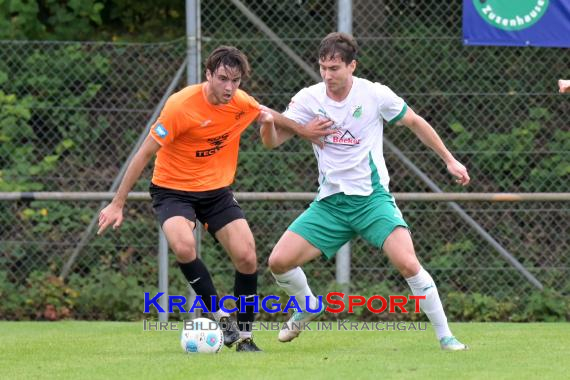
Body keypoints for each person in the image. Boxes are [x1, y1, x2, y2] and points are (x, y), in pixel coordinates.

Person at [97, 45, 332, 352]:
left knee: (247, 256)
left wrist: (304, 131)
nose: (229, 87)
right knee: (183, 245)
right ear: (208, 74)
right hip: (172, 190)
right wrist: (118, 203)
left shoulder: (239, 101)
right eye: (222, 78)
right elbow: (143, 154)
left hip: (216, 192)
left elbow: (267, 114)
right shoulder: (181, 106)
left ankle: (246, 338)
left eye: (236, 81)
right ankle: (222, 318)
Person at [261, 33, 470, 351]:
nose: (328, 75)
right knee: (278, 262)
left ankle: (446, 337)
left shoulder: (374, 94)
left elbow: (414, 122)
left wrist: (450, 160)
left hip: (372, 201)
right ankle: (308, 305)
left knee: (409, 264)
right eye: (323, 68)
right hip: (330, 204)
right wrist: (266, 123)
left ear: (352, 65)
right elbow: (272, 142)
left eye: (335, 68)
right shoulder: (309, 98)